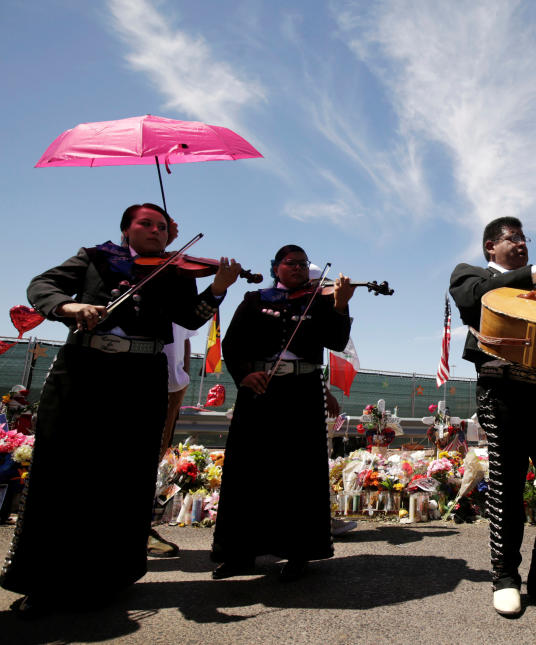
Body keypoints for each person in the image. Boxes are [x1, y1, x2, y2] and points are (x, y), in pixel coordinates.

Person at [1, 203, 240, 617]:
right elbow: (41, 286)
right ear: (126, 229)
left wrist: (217, 288)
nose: (155, 230)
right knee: (63, 473)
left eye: (162, 226)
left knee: (126, 475)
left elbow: (190, 318)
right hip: (84, 370)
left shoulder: (174, 270)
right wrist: (69, 307)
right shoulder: (94, 257)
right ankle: (45, 579)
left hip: (141, 377)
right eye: (145, 223)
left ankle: (110, 575)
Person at [449, 216, 536, 616]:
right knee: (507, 486)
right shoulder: (470, 274)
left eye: (524, 238)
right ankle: (505, 578)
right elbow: (473, 299)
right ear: (489, 248)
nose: (521, 244)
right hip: (503, 392)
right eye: (511, 238)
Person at [211, 245, 355, 582]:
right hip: (258, 389)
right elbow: (232, 345)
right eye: (291, 263)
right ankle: (238, 554)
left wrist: (341, 304)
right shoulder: (253, 299)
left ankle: (298, 553)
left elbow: (336, 340)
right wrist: (244, 375)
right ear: (276, 267)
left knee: (299, 472)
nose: (299, 268)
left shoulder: (319, 301)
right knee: (246, 471)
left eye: (304, 264)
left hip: (302, 391)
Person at [148, 322, 196, 558]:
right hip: (135, 374)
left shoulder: (183, 288)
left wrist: (182, 377)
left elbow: (186, 338)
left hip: (172, 385)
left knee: (157, 457)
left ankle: (142, 529)